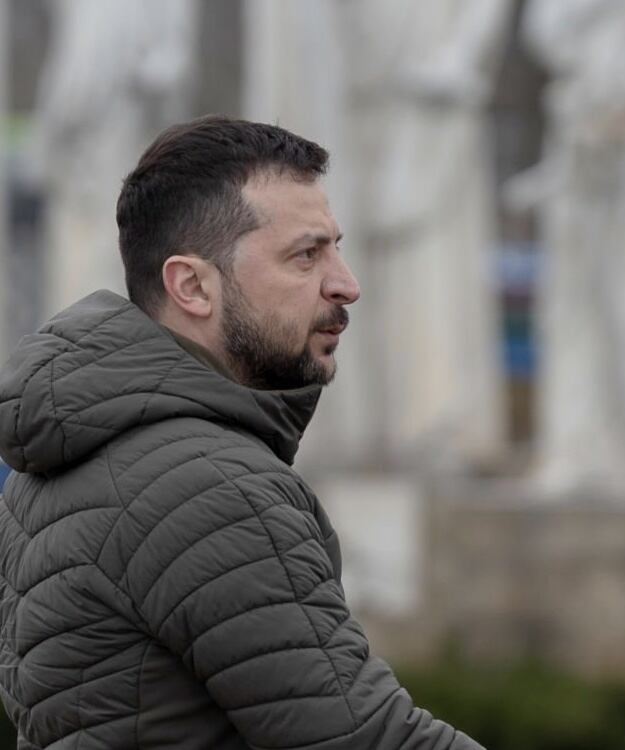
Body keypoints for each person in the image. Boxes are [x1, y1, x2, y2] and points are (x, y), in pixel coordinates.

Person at [0, 117, 484, 749]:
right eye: (305, 255)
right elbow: (367, 739)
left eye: (336, 247)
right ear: (193, 286)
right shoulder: (209, 487)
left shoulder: (62, 455)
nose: (346, 283)